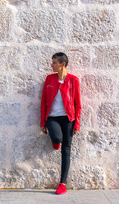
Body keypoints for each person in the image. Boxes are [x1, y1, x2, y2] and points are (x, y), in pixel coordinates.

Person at [40, 52, 81, 195]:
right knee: (58, 138)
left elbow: (77, 104)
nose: (51, 65)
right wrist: (43, 122)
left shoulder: (73, 80)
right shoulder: (49, 79)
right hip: (53, 118)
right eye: (52, 62)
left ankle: (62, 183)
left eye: (54, 63)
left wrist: (77, 124)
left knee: (66, 149)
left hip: (68, 119)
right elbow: (44, 102)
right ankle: (56, 141)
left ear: (62, 64)